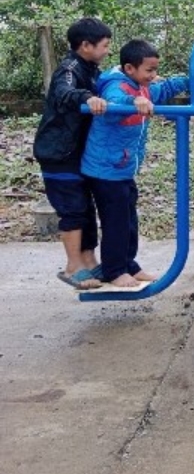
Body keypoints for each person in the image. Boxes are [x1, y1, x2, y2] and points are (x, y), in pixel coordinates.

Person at [81, 39, 189, 288]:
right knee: (116, 222)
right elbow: (115, 101)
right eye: (149, 70)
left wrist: (189, 79)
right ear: (130, 68)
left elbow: (164, 90)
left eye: (155, 70)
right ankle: (114, 270)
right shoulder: (116, 85)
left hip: (122, 169)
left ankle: (129, 264)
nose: (154, 75)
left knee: (129, 219)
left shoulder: (143, 86)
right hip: (105, 170)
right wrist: (134, 103)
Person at [33, 17, 112, 290]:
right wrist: (86, 98)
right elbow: (64, 93)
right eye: (104, 45)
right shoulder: (68, 69)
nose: (107, 50)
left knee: (86, 208)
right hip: (59, 154)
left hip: (77, 152)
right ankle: (72, 266)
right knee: (73, 210)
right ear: (86, 45)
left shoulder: (91, 69)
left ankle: (89, 261)